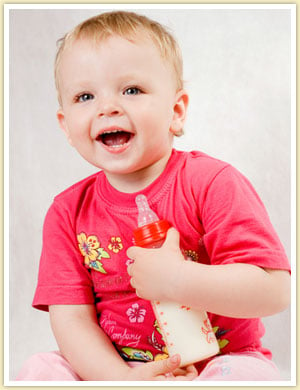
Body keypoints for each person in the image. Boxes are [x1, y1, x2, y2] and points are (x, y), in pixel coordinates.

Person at [16, 10, 291, 381]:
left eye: (132, 90)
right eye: (84, 95)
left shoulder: (213, 183)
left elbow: (274, 291)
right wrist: (121, 380)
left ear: (176, 112)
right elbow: (72, 321)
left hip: (219, 364)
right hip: (115, 368)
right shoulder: (67, 212)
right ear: (66, 126)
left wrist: (179, 280)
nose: (107, 107)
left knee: (252, 378)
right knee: (40, 369)